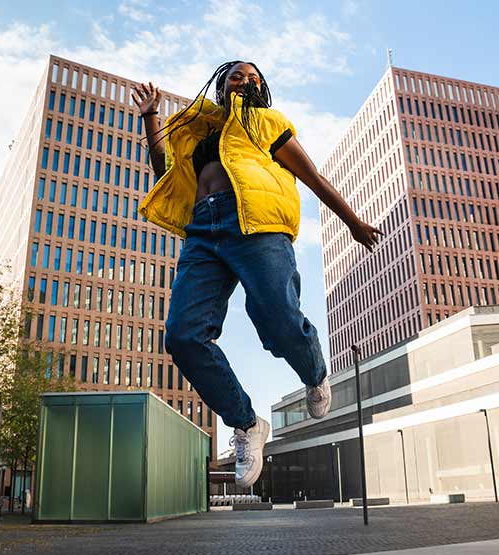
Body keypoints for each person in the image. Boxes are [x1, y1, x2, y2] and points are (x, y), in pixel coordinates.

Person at [133, 61, 382, 488]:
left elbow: (312, 176)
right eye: (237, 76)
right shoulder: (201, 133)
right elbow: (166, 173)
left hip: (258, 223)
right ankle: (247, 424)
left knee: (277, 320)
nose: (246, 80)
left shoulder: (266, 122)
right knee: (183, 335)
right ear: (221, 85)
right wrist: (151, 116)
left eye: (254, 77)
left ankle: (315, 372)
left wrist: (352, 222)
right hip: (203, 232)